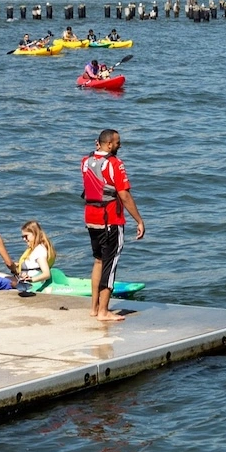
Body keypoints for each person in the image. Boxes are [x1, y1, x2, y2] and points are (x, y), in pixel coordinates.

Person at [82, 128, 145, 322]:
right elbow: (124, 195)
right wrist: (139, 220)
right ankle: (103, 311)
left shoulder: (85, 161)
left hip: (91, 217)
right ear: (109, 144)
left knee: (99, 261)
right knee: (110, 264)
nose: (120, 145)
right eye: (118, 142)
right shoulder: (115, 164)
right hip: (110, 219)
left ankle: (94, 308)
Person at [17, 221, 56, 289]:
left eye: (26, 236)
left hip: (31, 285)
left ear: (35, 234)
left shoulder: (39, 250)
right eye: (22, 237)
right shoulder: (35, 249)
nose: (24, 239)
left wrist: (31, 279)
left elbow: (46, 274)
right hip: (25, 283)